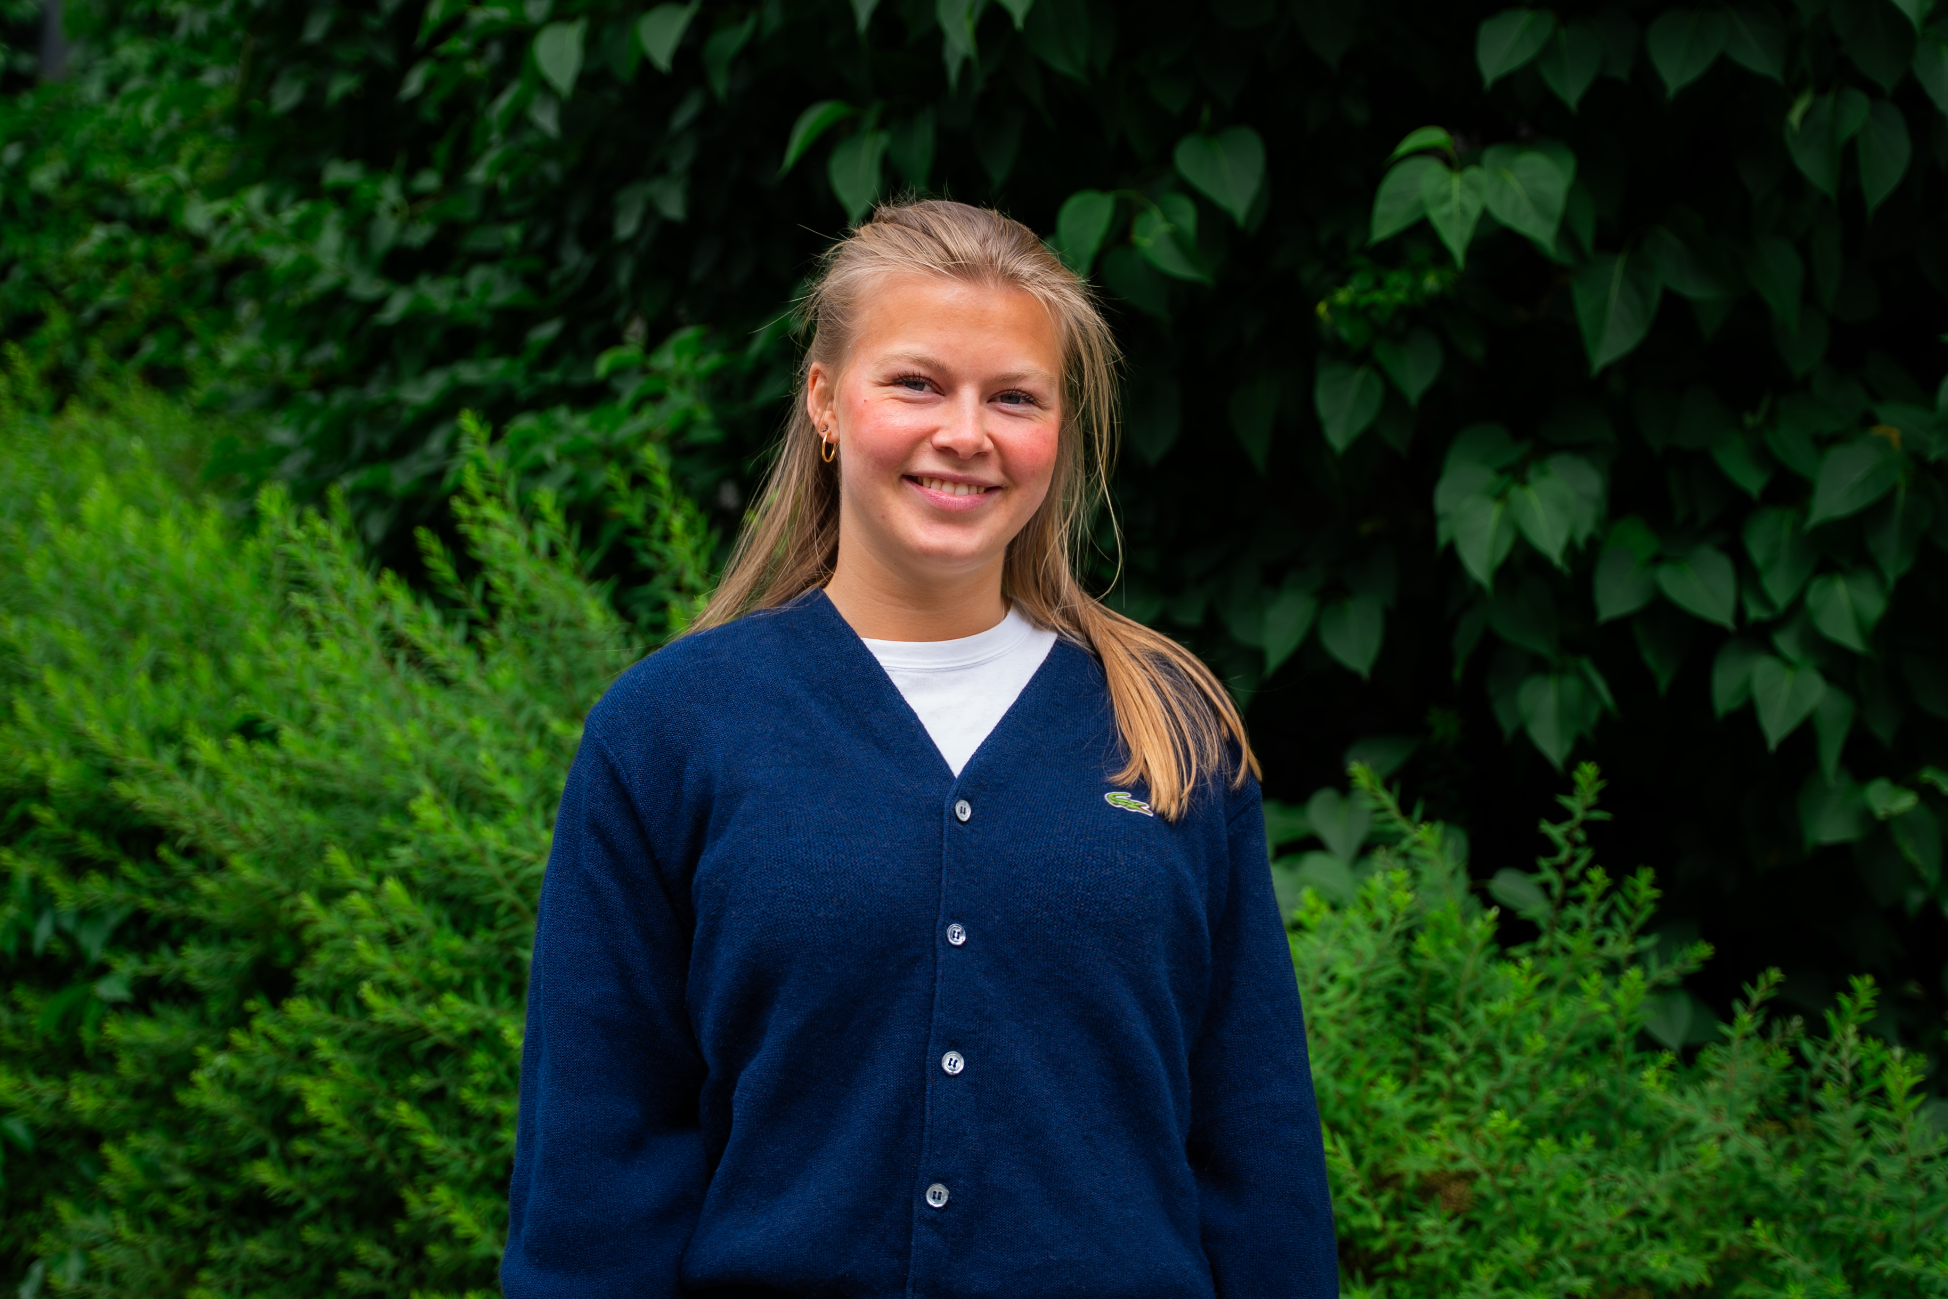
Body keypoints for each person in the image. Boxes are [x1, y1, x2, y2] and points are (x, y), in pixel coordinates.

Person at [501, 198, 1337, 1298]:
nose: (966, 433)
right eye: (916, 383)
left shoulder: (1169, 731)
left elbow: (1259, 1155)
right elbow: (596, 1165)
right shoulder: (669, 733)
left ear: (1060, 431)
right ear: (824, 399)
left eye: (1015, 397)